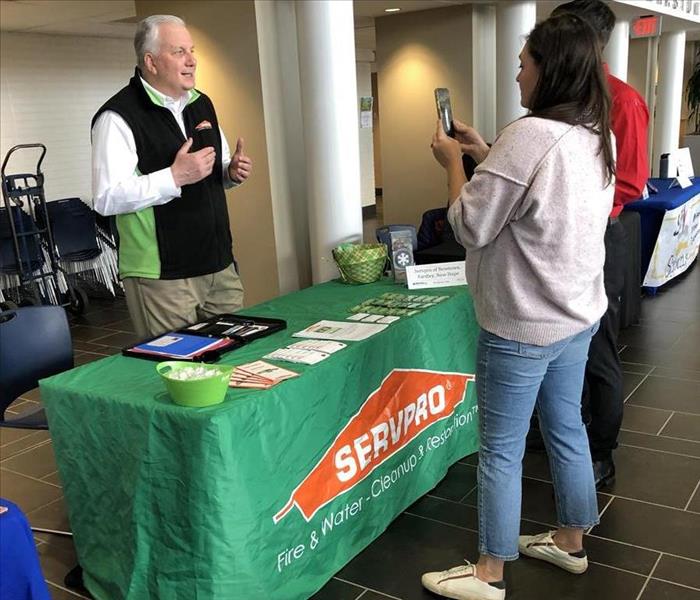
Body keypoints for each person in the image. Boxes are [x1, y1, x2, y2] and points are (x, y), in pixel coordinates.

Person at [421, 13, 614, 600]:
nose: (516, 72)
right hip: (576, 317)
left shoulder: (529, 136)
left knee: (501, 452)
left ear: (549, 70)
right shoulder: (592, 133)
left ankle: (489, 573)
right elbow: (540, 195)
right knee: (568, 430)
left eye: (524, 62)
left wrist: (454, 164)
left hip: (522, 325)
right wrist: (487, 150)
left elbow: (471, 224)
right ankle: (571, 541)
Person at [91, 14, 252, 339]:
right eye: (179, 52)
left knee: (237, 360)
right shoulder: (117, 117)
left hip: (218, 264)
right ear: (150, 61)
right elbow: (106, 198)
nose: (192, 60)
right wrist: (174, 177)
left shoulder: (201, 103)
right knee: (179, 371)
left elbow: (210, 174)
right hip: (163, 276)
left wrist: (230, 173)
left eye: (191, 51)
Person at [550, 0, 650, 490]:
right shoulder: (559, 100)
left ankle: (600, 452)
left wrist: (581, 204)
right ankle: (559, 434)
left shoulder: (622, 101)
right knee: (561, 342)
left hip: (600, 235)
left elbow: (630, 183)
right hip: (555, 239)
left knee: (598, 346)